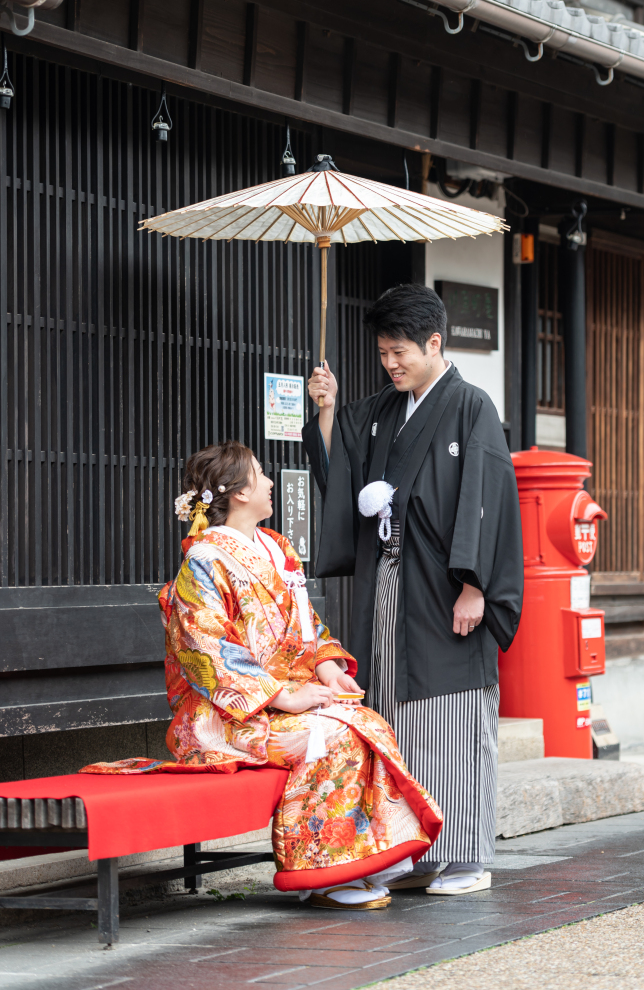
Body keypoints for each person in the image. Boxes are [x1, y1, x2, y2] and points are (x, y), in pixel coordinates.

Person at [81, 439, 442, 910]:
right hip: (226, 716)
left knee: (364, 721)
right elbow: (203, 646)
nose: (271, 482)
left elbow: (306, 624)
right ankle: (320, 872)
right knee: (328, 736)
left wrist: (327, 668)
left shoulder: (277, 547)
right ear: (239, 492)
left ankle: (358, 861)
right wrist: (282, 697)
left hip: (282, 696)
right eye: (260, 474)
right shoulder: (204, 559)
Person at [303, 283, 524, 895]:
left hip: (446, 585)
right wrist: (327, 409)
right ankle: (409, 851)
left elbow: (487, 498)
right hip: (389, 579)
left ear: (434, 342)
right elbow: (343, 466)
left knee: (451, 714)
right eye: (383, 354)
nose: (391, 364)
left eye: (399, 352)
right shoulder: (381, 410)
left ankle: (466, 858)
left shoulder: (471, 405)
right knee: (391, 711)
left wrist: (475, 585)